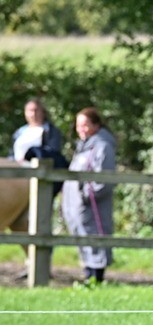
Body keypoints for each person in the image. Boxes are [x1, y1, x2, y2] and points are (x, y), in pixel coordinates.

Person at [61, 107, 118, 285]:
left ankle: (96, 278)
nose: (81, 129)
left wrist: (86, 195)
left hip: (92, 206)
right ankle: (88, 276)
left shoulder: (102, 146)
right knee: (83, 239)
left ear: (96, 124)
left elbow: (103, 178)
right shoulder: (83, 147)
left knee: (95, 238)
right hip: (77, 207)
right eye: (78, 126)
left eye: (85, 125)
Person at [10, 98, 66, 164]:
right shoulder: (19, 132)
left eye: (36, 110)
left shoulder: (51, 131)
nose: (33, 114)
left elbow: (53, 152)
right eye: (30, 110)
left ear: (43, 112)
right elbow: (12, 154)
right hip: (18, 170)